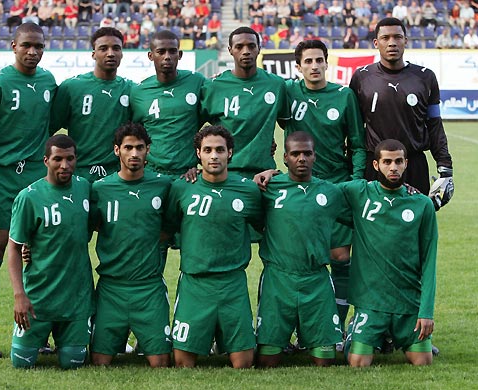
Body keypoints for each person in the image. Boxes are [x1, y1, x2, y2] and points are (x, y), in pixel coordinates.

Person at [0, 22, 57, 358]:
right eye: (27, 45)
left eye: (39, 46)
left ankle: (37, 331)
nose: (33, 51)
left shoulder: (48, 82)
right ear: (13, 46)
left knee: (36, 254)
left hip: (35, 180)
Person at [165, 125, 263, 368]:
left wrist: (271, 172)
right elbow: (170, 225)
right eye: (207, 150)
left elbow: (263, 224)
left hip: (232, 283)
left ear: (230, 153)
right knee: (182, 363)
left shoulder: (248, 190)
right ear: (198, 154)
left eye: (220, 150)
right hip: (195, 283)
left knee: (244, 363)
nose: (214, 156)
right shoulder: (181, 187)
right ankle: (208, 334)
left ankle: (222, 336)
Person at [342, 139, 437, 367]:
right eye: (387, 162)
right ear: (376, 165)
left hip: (408, 303)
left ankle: (392, 336)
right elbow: (319, 191)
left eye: (398, 161)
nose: (392, 167)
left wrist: (426, 312)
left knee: (423, 361)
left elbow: (429, 262)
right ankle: (354, 334)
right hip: (371, 302)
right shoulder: (359, 192)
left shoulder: (422, 204)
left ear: (406, 164)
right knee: (358, 362)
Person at [256, 131, 346, 368]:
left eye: (307, 153)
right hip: (278, 278)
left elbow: (369, 194)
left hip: (315, 279)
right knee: (267, 360)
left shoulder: (331, 192)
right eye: (295, 154)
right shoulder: (268, 188)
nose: (302, 158)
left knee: (325, 360)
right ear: (285, 158)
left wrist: (406, 189)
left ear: (315, 156)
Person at [89, 123, 172, 367]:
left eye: (139, 147)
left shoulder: (164, 185)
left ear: (148, 150)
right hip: (111, 287)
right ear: (117, 151)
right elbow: (85, 227)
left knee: (161, 362)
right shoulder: (100, 189)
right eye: (128, 148)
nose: (134, 153)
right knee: (99, 361)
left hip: (149, 287)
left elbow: (173, 225)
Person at [8, 134, 94, 369]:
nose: (64, 165)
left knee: (73, 362)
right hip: (38, 299)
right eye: (58, 159)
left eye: (70, 159)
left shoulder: (85, 188)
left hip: (76, 298)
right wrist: (19, 296)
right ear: (46, 161)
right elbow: (14, 249)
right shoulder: (29, 197)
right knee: (22, 363)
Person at [349, 17, 453, 204]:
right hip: (375, 165)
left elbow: (435, 124)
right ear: (376, 42)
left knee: (415, 227)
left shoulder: (425, 77)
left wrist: (445, 168)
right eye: (385, 38)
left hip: (413, 164)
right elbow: (353, 130)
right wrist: (351, 169)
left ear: (406, 40)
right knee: (374, 227)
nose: (392, 43)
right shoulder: (361, 77)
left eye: (397, 37)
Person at [201, 26, 289, 180]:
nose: (246, 51)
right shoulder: (213, 86)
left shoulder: (276, 85)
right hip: (226, 174)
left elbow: (287, 125)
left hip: (264, 174)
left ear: (259, 49)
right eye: (239, 46)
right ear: (230, 50)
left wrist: (268, 140)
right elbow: (193, 129)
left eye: (251, 46)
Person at [50, 27, 134, 182]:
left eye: (116, 48)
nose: (110, 53)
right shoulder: (70, 87)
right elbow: (49, 129)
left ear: (122, 53)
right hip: (78, 174)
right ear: (93, 54)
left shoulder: (131, 89)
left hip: (117, 175)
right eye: (103, 48)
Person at [130, 29, 205, 180]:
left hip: (187, 174)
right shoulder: (138, 92)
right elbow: (133, 134)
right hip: (151, 173)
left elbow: (216, 122)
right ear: (151, 56)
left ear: (180, 54)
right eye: (161, 52)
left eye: (172, 51)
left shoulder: (197, 82)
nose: (167, 57)